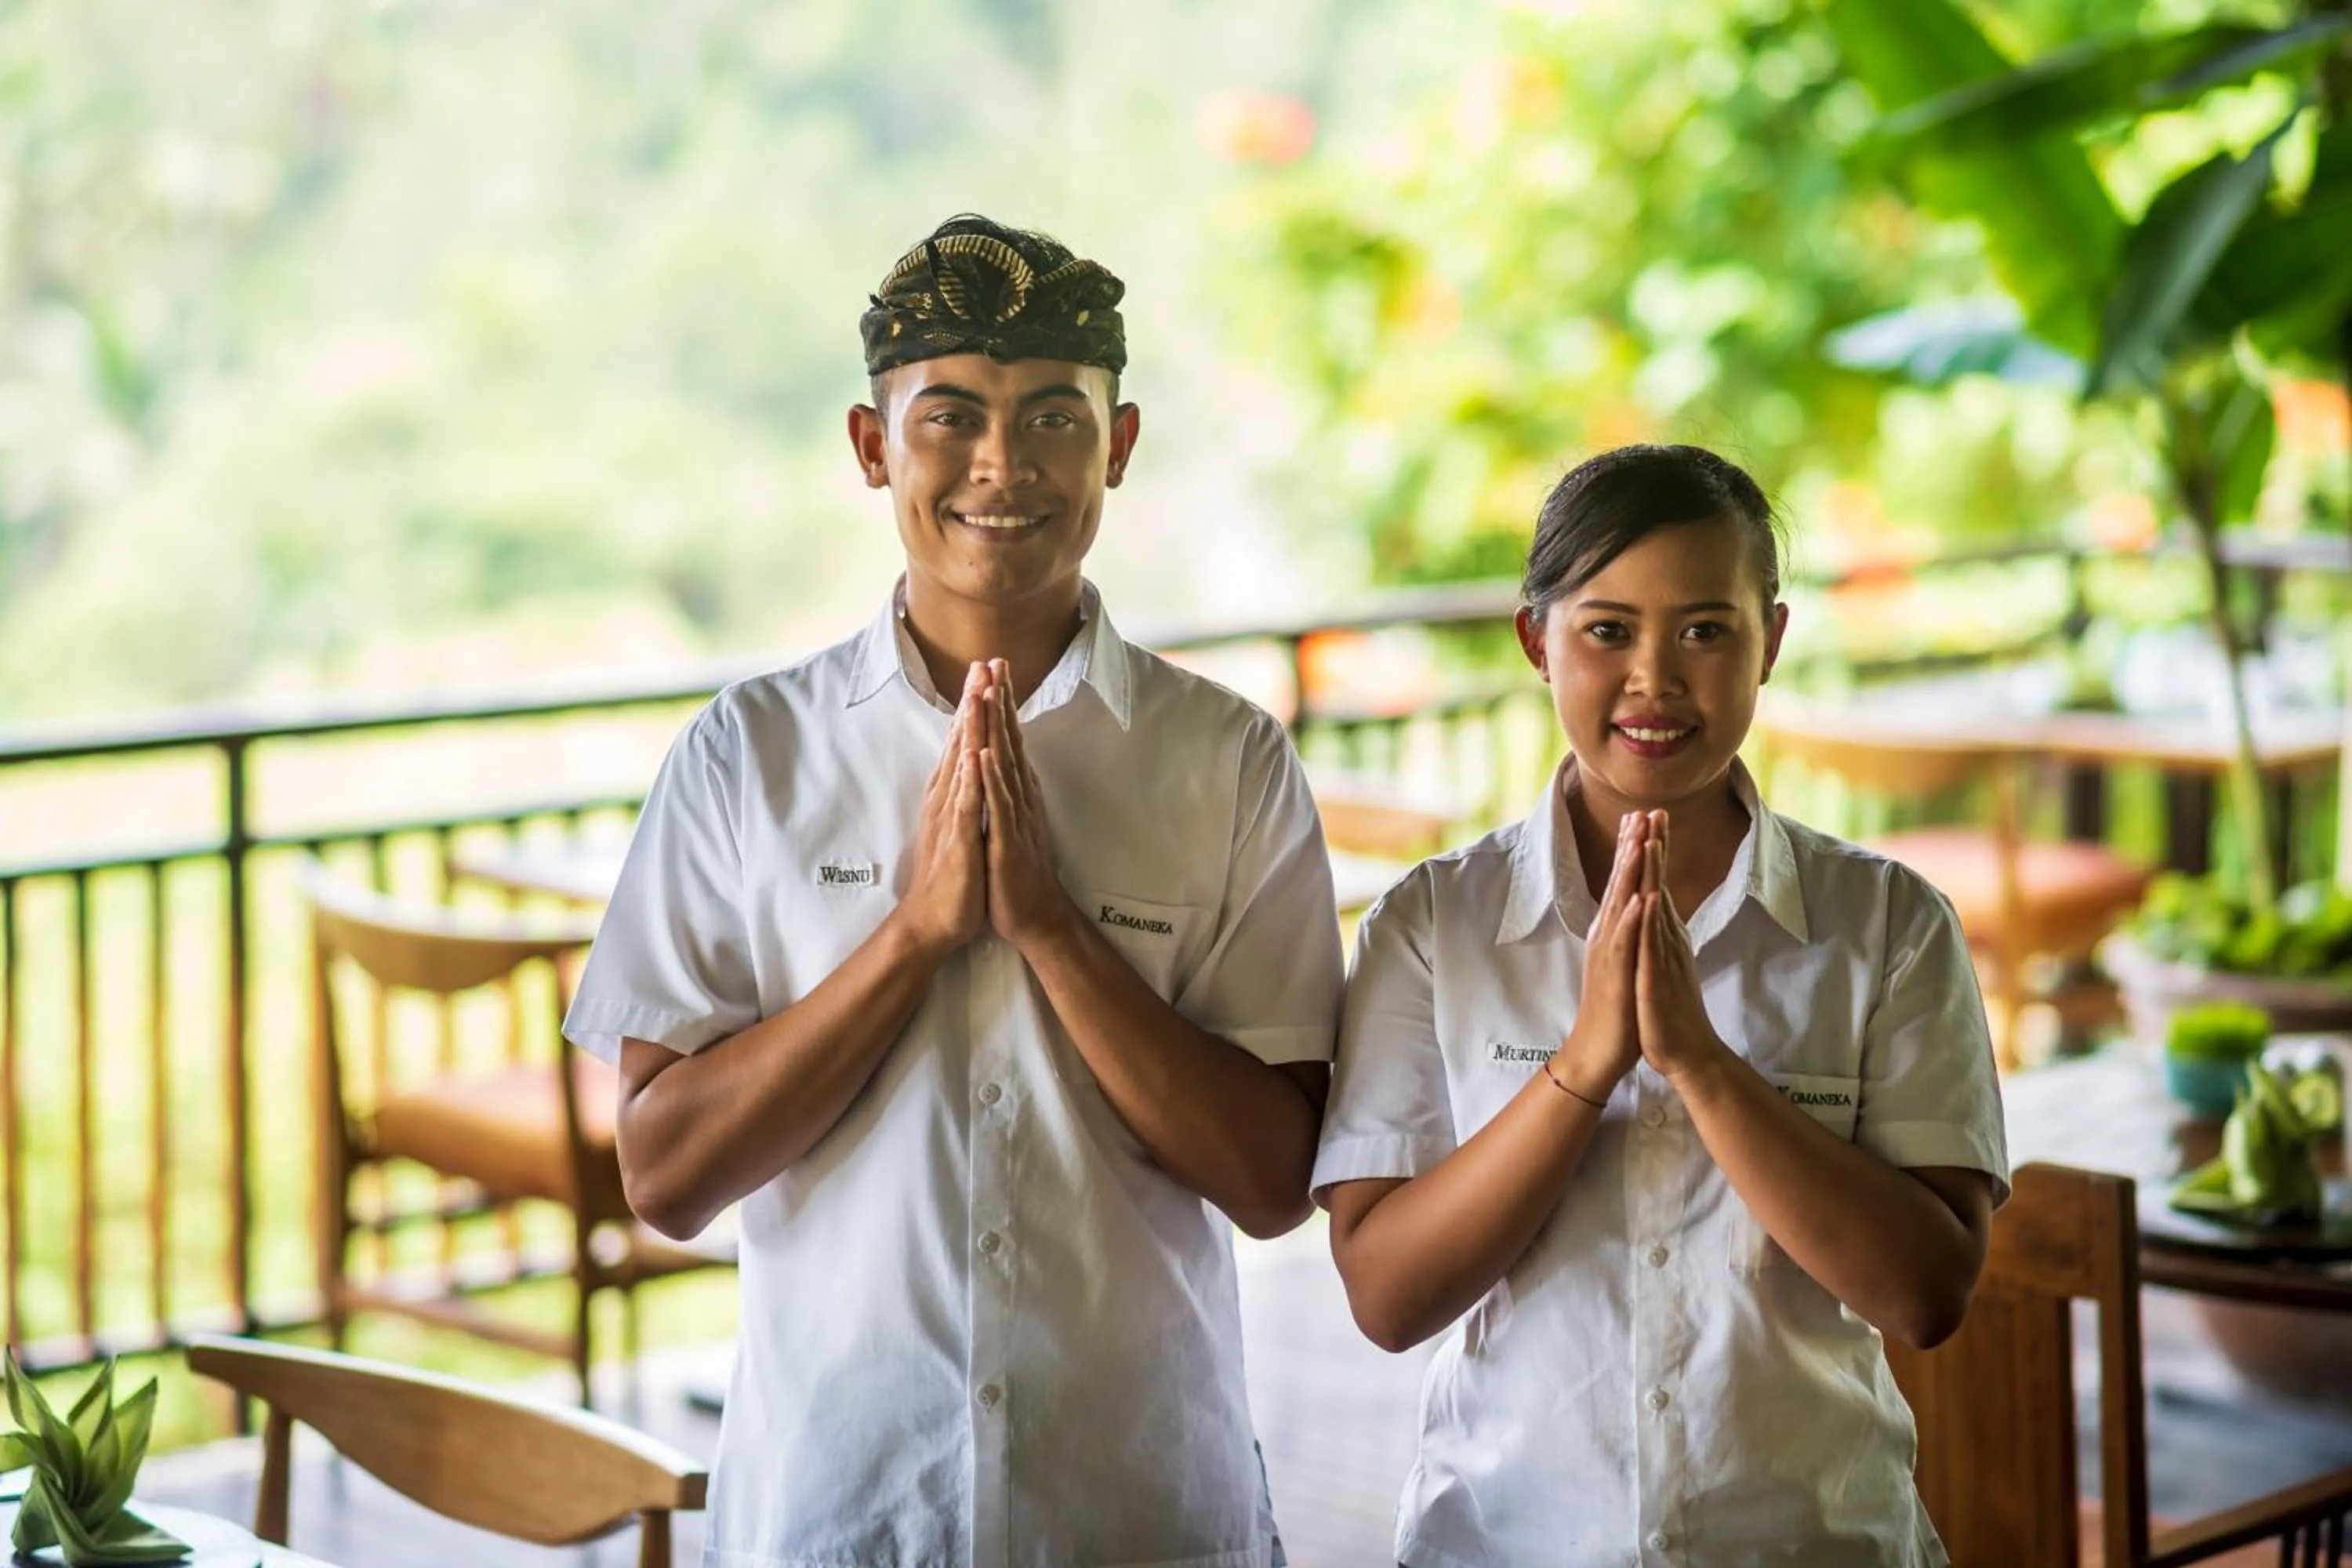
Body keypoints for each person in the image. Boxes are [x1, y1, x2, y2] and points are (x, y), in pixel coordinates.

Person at [563, 215, 1342, 1567]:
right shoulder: (749, 757)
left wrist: (1051, 929)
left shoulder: (1227, 761)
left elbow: (1276, 1182)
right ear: (874, 449)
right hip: (835, 1509)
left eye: (1053, 415)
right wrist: (915, 934)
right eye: (951, 418)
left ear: (1122, 443)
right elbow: (666, 1171)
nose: (1003, 464)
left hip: (1145, 1509)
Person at [1312, 445, 2008, 1567]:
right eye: (1606, 630)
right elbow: (1387, 1298)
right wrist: (1584, 1067)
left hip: (1813, 1541)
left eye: (1704, 630)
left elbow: (1926, 1292)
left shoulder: (1890, 926)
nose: (1655, 679)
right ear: (1537, 642)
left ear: (1770, 643)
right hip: (1504, 1540)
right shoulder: (1431, 927)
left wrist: (1702, 1065)